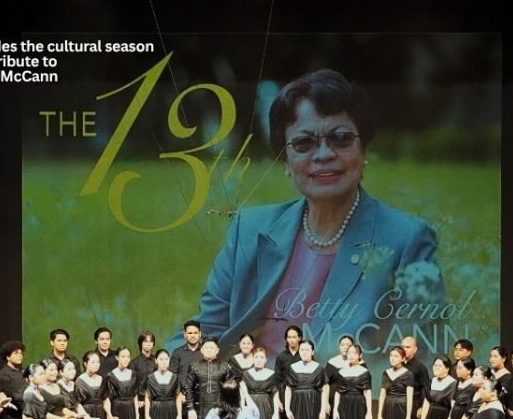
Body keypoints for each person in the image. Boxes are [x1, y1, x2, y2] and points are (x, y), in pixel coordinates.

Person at [175, 69, 444, 367]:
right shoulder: (249, 228)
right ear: (286, 161)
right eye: (304, 143)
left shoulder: (407, 239)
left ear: (363, 150)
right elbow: (206, 330)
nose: (324, 154)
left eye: (341, 139)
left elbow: (419, 355)